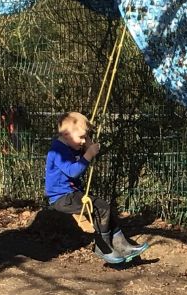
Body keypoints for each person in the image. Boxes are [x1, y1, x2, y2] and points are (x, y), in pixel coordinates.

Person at [44, 111, 148, 264]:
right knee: (102, 208)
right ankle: (103, 247)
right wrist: (88, 154)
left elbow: (88, 155)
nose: (83, 141)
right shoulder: (58, 150)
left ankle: (122, 245)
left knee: (105, 208)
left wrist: (89, 145)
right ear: (66, 134)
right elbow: (73, 172)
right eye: (81, 137)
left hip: (71, 194)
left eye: (85, 137)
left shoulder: (70, 144)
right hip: (61, 198)